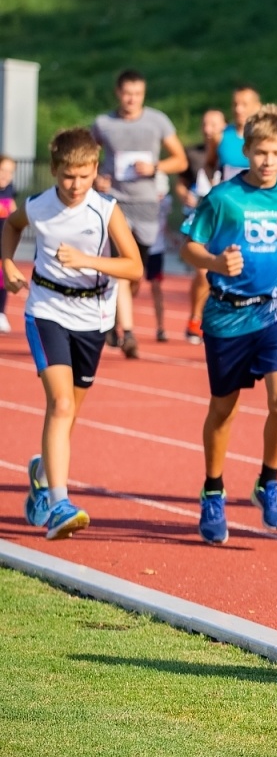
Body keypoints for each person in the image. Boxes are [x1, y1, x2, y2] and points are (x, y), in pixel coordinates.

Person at [180, 105, 277, 545]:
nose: (267, 161)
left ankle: (269, 481)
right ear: (246, 151)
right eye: (260, 152)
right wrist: (215, 262)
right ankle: (213, 490)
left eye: (275, 152)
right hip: (227, 314)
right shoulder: (223, 198)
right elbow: (188, 247)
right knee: (224, 409)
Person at [1, 128, 143, 539]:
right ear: (54, 170)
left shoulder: (105, 210)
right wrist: (7, 264)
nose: (75, 184)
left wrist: (87, 261)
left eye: (83, 176)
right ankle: (59, 503)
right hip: (46, 311)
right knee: (61, 404)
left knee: (70, 413)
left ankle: (42, 473)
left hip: (93, 318)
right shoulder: (39, 205)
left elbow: (134, 267)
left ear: (95, 170)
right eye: (67, 176)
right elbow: (11, 226)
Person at [92, 70, 186, 355]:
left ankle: (114, 317)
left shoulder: (157, 121)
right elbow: (86, 157)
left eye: (138, 94)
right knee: (120, 268)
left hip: (146, 206)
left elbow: (180, 160)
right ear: (118, 93)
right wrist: (96, 178)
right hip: (114, 202)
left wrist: (155, 168)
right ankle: (128, 333)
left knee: (135, 274)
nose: (132, 99)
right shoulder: (103, 123)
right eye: (127, 93)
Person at [180, 109, 226, 344]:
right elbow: (181, 184)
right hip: (199, 220)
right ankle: (195, 318)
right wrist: (185, 196)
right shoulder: (194, 154)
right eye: (205, 124)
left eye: (214, 125)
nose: (209, 129)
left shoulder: (234, 156)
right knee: (203, 271)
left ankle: (216, 319)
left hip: (226, 222)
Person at [0, 156, 15, 334]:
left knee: (3, 278)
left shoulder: (10, 189)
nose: (6, 175)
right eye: (2, 170)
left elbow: (12, 210)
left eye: (10, 172)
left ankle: (1, 313)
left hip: (3, 243)